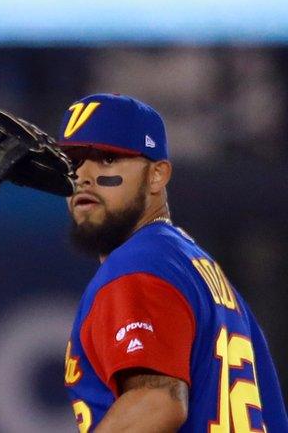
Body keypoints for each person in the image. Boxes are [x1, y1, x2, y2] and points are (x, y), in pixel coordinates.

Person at [59, 93, 288, 432]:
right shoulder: (188, 263)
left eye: (107, 159)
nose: (84, 176)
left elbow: (157, 402)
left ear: (157, 175)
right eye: (73, 162)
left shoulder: (138, 264)